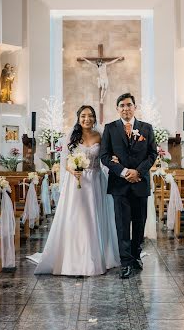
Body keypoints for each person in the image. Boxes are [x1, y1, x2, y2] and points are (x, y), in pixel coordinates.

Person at [28, 105, 120, 276]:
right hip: (76, 183)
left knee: (93, 217)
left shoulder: (100, 135)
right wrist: (72, 170)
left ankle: (94, 257)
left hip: (96, 182)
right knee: (77, 217)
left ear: (94, 118)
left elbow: (107, 157)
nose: (87, 119)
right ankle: (74, 259)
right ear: (78, 118)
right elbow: (64, 162)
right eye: (83, 116)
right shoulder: (71, 136)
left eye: (90, 116)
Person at [100, 93, 158, 279]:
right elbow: (105, 156)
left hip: (140, 183)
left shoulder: (146, 128)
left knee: (139, 224)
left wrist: (138, 172)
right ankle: (125, 263)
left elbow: (152, 154)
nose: (126, 108)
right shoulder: (110, 128)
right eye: (122, 105)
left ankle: (135, 256)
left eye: (129, 105)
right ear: (117, 109)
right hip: (120, 184)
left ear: (135, 107)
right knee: (123, 225)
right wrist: (124, 172)